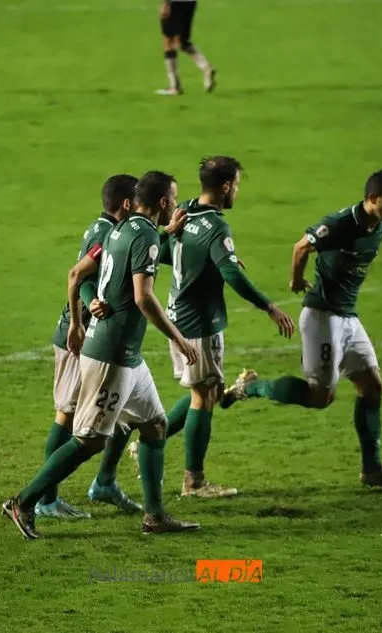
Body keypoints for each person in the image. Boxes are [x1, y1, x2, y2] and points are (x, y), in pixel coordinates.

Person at [2, 171, 201, 538]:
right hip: (111, 354)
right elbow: (143, 297)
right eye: (173, 199)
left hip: (127, 355)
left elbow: (79, 272)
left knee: (155, 426)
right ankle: (24, 502)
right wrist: (177, 338)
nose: (175, 204)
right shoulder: (143, 235)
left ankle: (155, 517)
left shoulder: (118, 229)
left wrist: (85, 312)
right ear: (162, 202)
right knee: (89, 439)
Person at [221, 170, 382, 493]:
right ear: (372, 198)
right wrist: (296, 280)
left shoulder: (380, 228)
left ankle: (372, 469)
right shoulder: (339, 224)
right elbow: (301, 247)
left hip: (348, 317)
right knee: (320, 397)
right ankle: (250, 387)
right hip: (322, 316)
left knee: (372, 386)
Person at [159, 156, 295, 498]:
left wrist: (217, 261)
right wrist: (269, 307)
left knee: (207, 390)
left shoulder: (185, 210)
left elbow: (168, 253)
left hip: (177, 316)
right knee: (204, 397)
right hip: (199, 323)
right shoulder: (217, 227)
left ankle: (151, 439)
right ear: (224, 186)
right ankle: (194, 482)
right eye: (236, 185)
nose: (237, 191)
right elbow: (232, 275)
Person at [156, 0, 216, 96]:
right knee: (182, 41)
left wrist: (165, 3)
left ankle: (174, 86)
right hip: (190, 2)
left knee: (168, 41)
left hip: (174, 3)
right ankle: (206, 67)